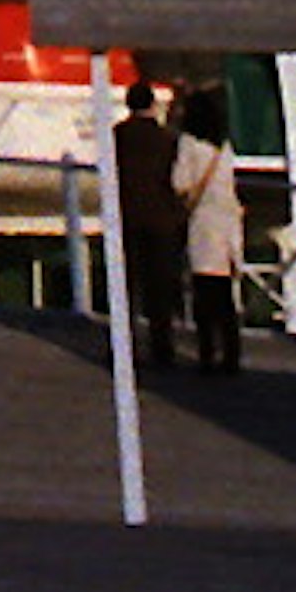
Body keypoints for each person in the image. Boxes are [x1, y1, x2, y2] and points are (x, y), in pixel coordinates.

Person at [112, 77, 187, 371]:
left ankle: (124, 345)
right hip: (161, 218)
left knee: (127, 285)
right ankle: (162, 345)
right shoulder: (166, 139)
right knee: (159, 287)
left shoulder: (117, 135)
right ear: (153, 105)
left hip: (128, 215)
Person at [172, 87, 245, 376]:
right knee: (225, 295)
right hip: (228, 221)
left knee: (204, 293)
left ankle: (207, 352)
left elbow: (180, 182)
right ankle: (231, 353)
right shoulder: (224, 147)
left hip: (204, 224)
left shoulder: (188, 144)